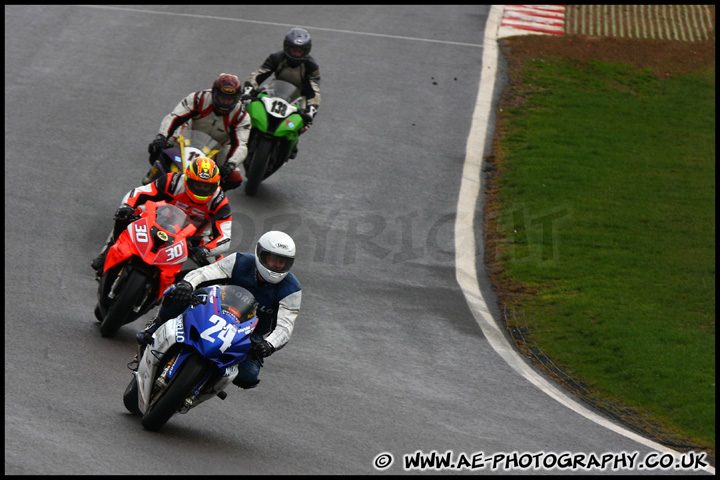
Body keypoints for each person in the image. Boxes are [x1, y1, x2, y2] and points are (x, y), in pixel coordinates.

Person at [134, 231, 301, 390]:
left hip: (250, 333)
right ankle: (155, 326)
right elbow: (206, 272)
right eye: (273, 259)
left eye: (283, 262)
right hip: (215, 309)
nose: (278, 265)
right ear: (261, 255)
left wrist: (269, 344)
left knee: (247, 376)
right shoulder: (240, 261)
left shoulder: (291, 289)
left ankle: (205, 384)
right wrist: (188, 284)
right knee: (176, 294)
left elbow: (286, 326)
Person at [91, 157, 232, 276]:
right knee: (127, 214)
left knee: (221, 270)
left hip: (192, 237)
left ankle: (181, 289)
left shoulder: (219, 201)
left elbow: (225, 237)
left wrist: (206, 250)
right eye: (197, 184)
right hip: (160, 220)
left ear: (216, 184)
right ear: (187, 179)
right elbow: (140, 192)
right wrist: (127, 206)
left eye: (206, 187)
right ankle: (107, 253)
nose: (201, 189)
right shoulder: (173, 181)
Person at [146, 73, 250, 190]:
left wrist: (231, 164)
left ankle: (213, 198)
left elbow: (241, 143)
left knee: (234, 178)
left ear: (236, 99)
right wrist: (161, 137)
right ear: (214, 93)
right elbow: (175, 117)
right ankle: (150, 184)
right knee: (156, 149)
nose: (225, 102)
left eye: (230, 99)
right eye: (222, 97)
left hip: (218, 148)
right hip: (187, 135)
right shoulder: (199, 98)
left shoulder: (241, 115)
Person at [242, 27, 321, 160]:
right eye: (293, 50)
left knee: (302, 122)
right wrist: (248, 91)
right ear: (286, 47)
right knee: (249, 106)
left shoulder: (311, 66)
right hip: (275, 89)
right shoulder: (276, 57)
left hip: (298, 97)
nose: (296, 54)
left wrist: (311, 110)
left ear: (306, 51)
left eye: (300, 51)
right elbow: (259, 74)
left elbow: (314, 90)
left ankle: (292, 141)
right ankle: (246, 133)